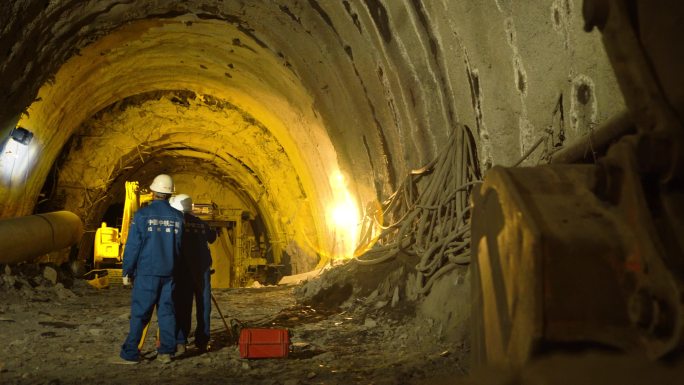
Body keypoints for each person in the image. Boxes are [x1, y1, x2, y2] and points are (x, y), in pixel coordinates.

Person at [118, 174, 184, 364]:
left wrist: (126, 271)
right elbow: (178, 247)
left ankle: (130, 353)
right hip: (169, 272)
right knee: (167, 313)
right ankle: (166, 352)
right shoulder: (178, 217)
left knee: (140, 313)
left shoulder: (142, 215)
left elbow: (133, 246)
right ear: (170, 193)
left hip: (147, 273)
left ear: (154, 192)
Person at [169, 193, 217, 354]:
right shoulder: (201, 224)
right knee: (204, 305)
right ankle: (202, 341)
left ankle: (181, 341)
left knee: (183, 305)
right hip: (202, 270)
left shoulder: (177, 223)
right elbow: (212, 238)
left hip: (183, 271)